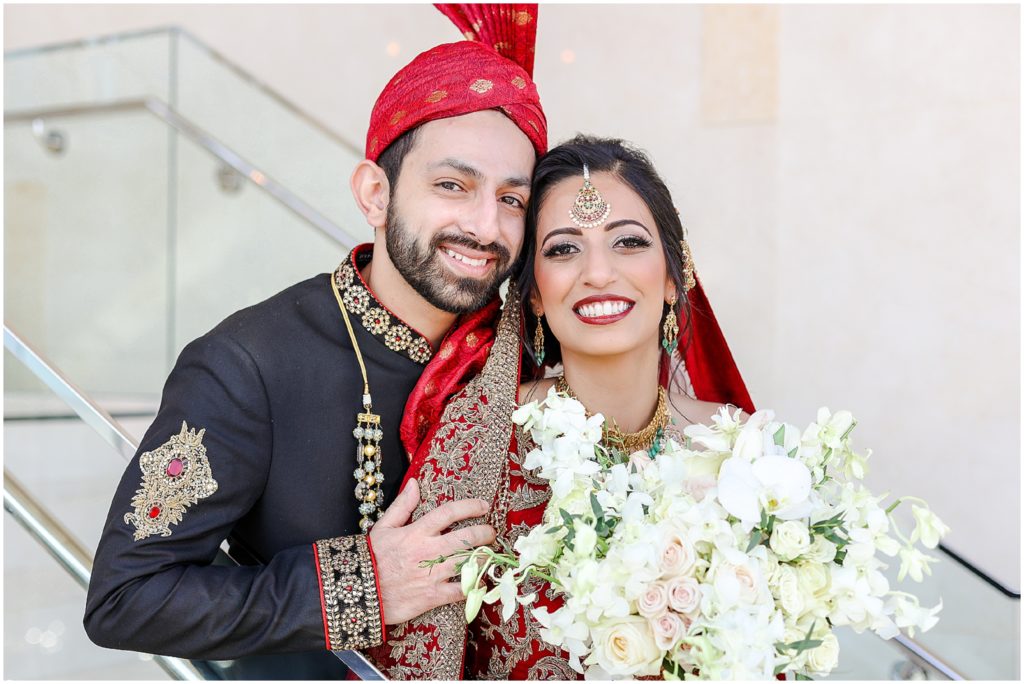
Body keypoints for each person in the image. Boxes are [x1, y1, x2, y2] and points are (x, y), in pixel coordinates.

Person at [84, 5, 546, 678]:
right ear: (375, 194)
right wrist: (361, 586)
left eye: (512, 199)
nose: (485, 226)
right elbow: (127, 599)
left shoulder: (529, 353)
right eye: (453, 185)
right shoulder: (246, 367)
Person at [367, 135, 755, 679]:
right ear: (533, 296)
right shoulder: (482, 439)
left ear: (673, 276)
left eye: (628, 243)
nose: (597, 273)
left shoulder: (738, 446)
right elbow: (414, 659)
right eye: (563, 249)